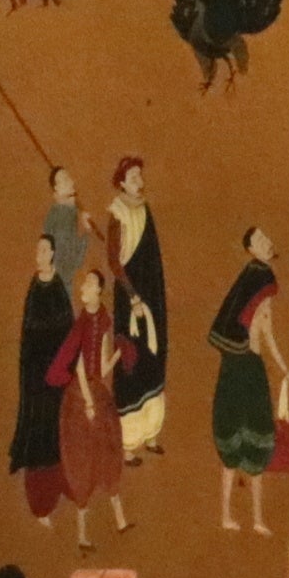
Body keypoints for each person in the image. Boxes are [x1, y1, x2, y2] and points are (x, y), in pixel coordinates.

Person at [210, 225, 289, 532]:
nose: (267, 242)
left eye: (266, 237)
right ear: (251, 250)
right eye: (259, 240)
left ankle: (256, 519)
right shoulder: (257, 278)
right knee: (234, 442)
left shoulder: (259, 278)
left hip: (249, 367)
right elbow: (260, 330)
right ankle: (227, 515)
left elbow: (266, 331)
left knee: (257, 440)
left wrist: (284, 368)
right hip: (238, 368)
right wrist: (283, 368)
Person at [48, 265, 132, 549]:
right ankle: (82, 535)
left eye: (89, 284)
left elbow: (103, 367)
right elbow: (79, 367)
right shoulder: (80, 324)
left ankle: (120, 520)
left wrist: (120, 352)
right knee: (82, 463)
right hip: (80, 395)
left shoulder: (105, 321)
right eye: (83, 284)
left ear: (99, 291)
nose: (83, 288)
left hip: (97, 392)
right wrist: (87, 402)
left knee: (109, 453)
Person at [106, 157, 170, 456]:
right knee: (130, 361)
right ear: (122, 182)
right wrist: (133, 297)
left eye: (140, 176)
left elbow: (152, 259)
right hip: (130, 299)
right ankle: (129, 443)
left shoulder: (145, 209)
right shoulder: (117, 214)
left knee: (152, 358)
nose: (139, 182)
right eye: (133, 177)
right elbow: (114, 262)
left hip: (152, 297)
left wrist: (152, 298)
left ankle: (151, 433)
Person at [11, 228, 73, 516]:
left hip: (56, 372)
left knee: (56, 422)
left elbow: (67, 331)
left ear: (52, 254)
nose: (39, 255)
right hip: (36, 373)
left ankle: (59, 478)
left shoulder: (58, 287)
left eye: (44, 250)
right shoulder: (34, 287)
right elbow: (28, 333)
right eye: (37, 250)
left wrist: (61, 366)